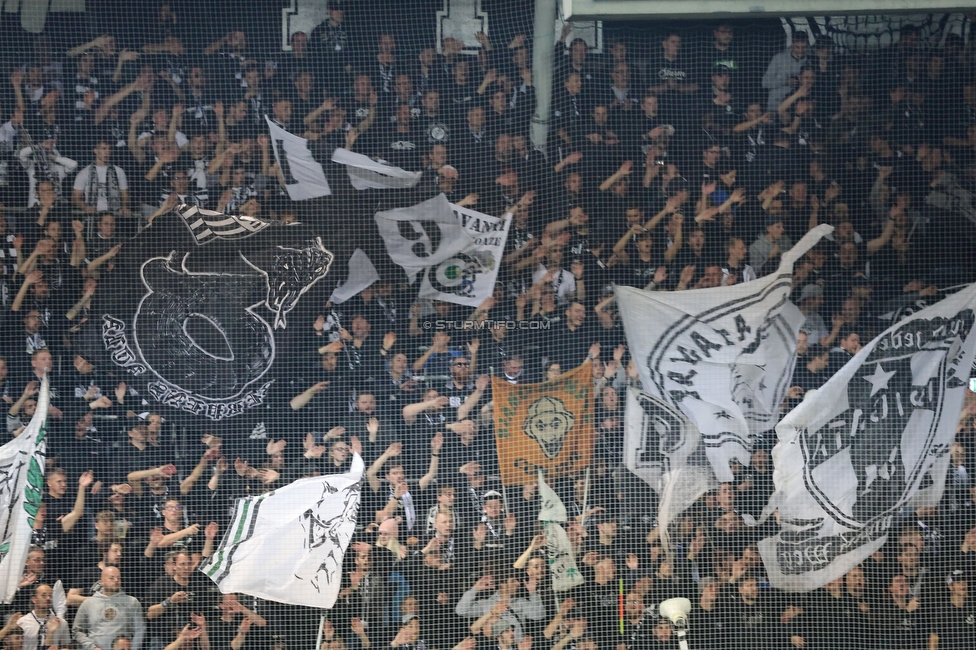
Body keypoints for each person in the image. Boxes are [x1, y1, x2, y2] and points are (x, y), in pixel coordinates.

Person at [72, 566, 145, 650]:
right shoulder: (88, 604)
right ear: (102, 581)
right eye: (112, 578)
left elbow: (140, 629)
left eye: (119, 578)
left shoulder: (132, 602)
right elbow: (77, 631)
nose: (116, 580)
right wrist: (92, 647)